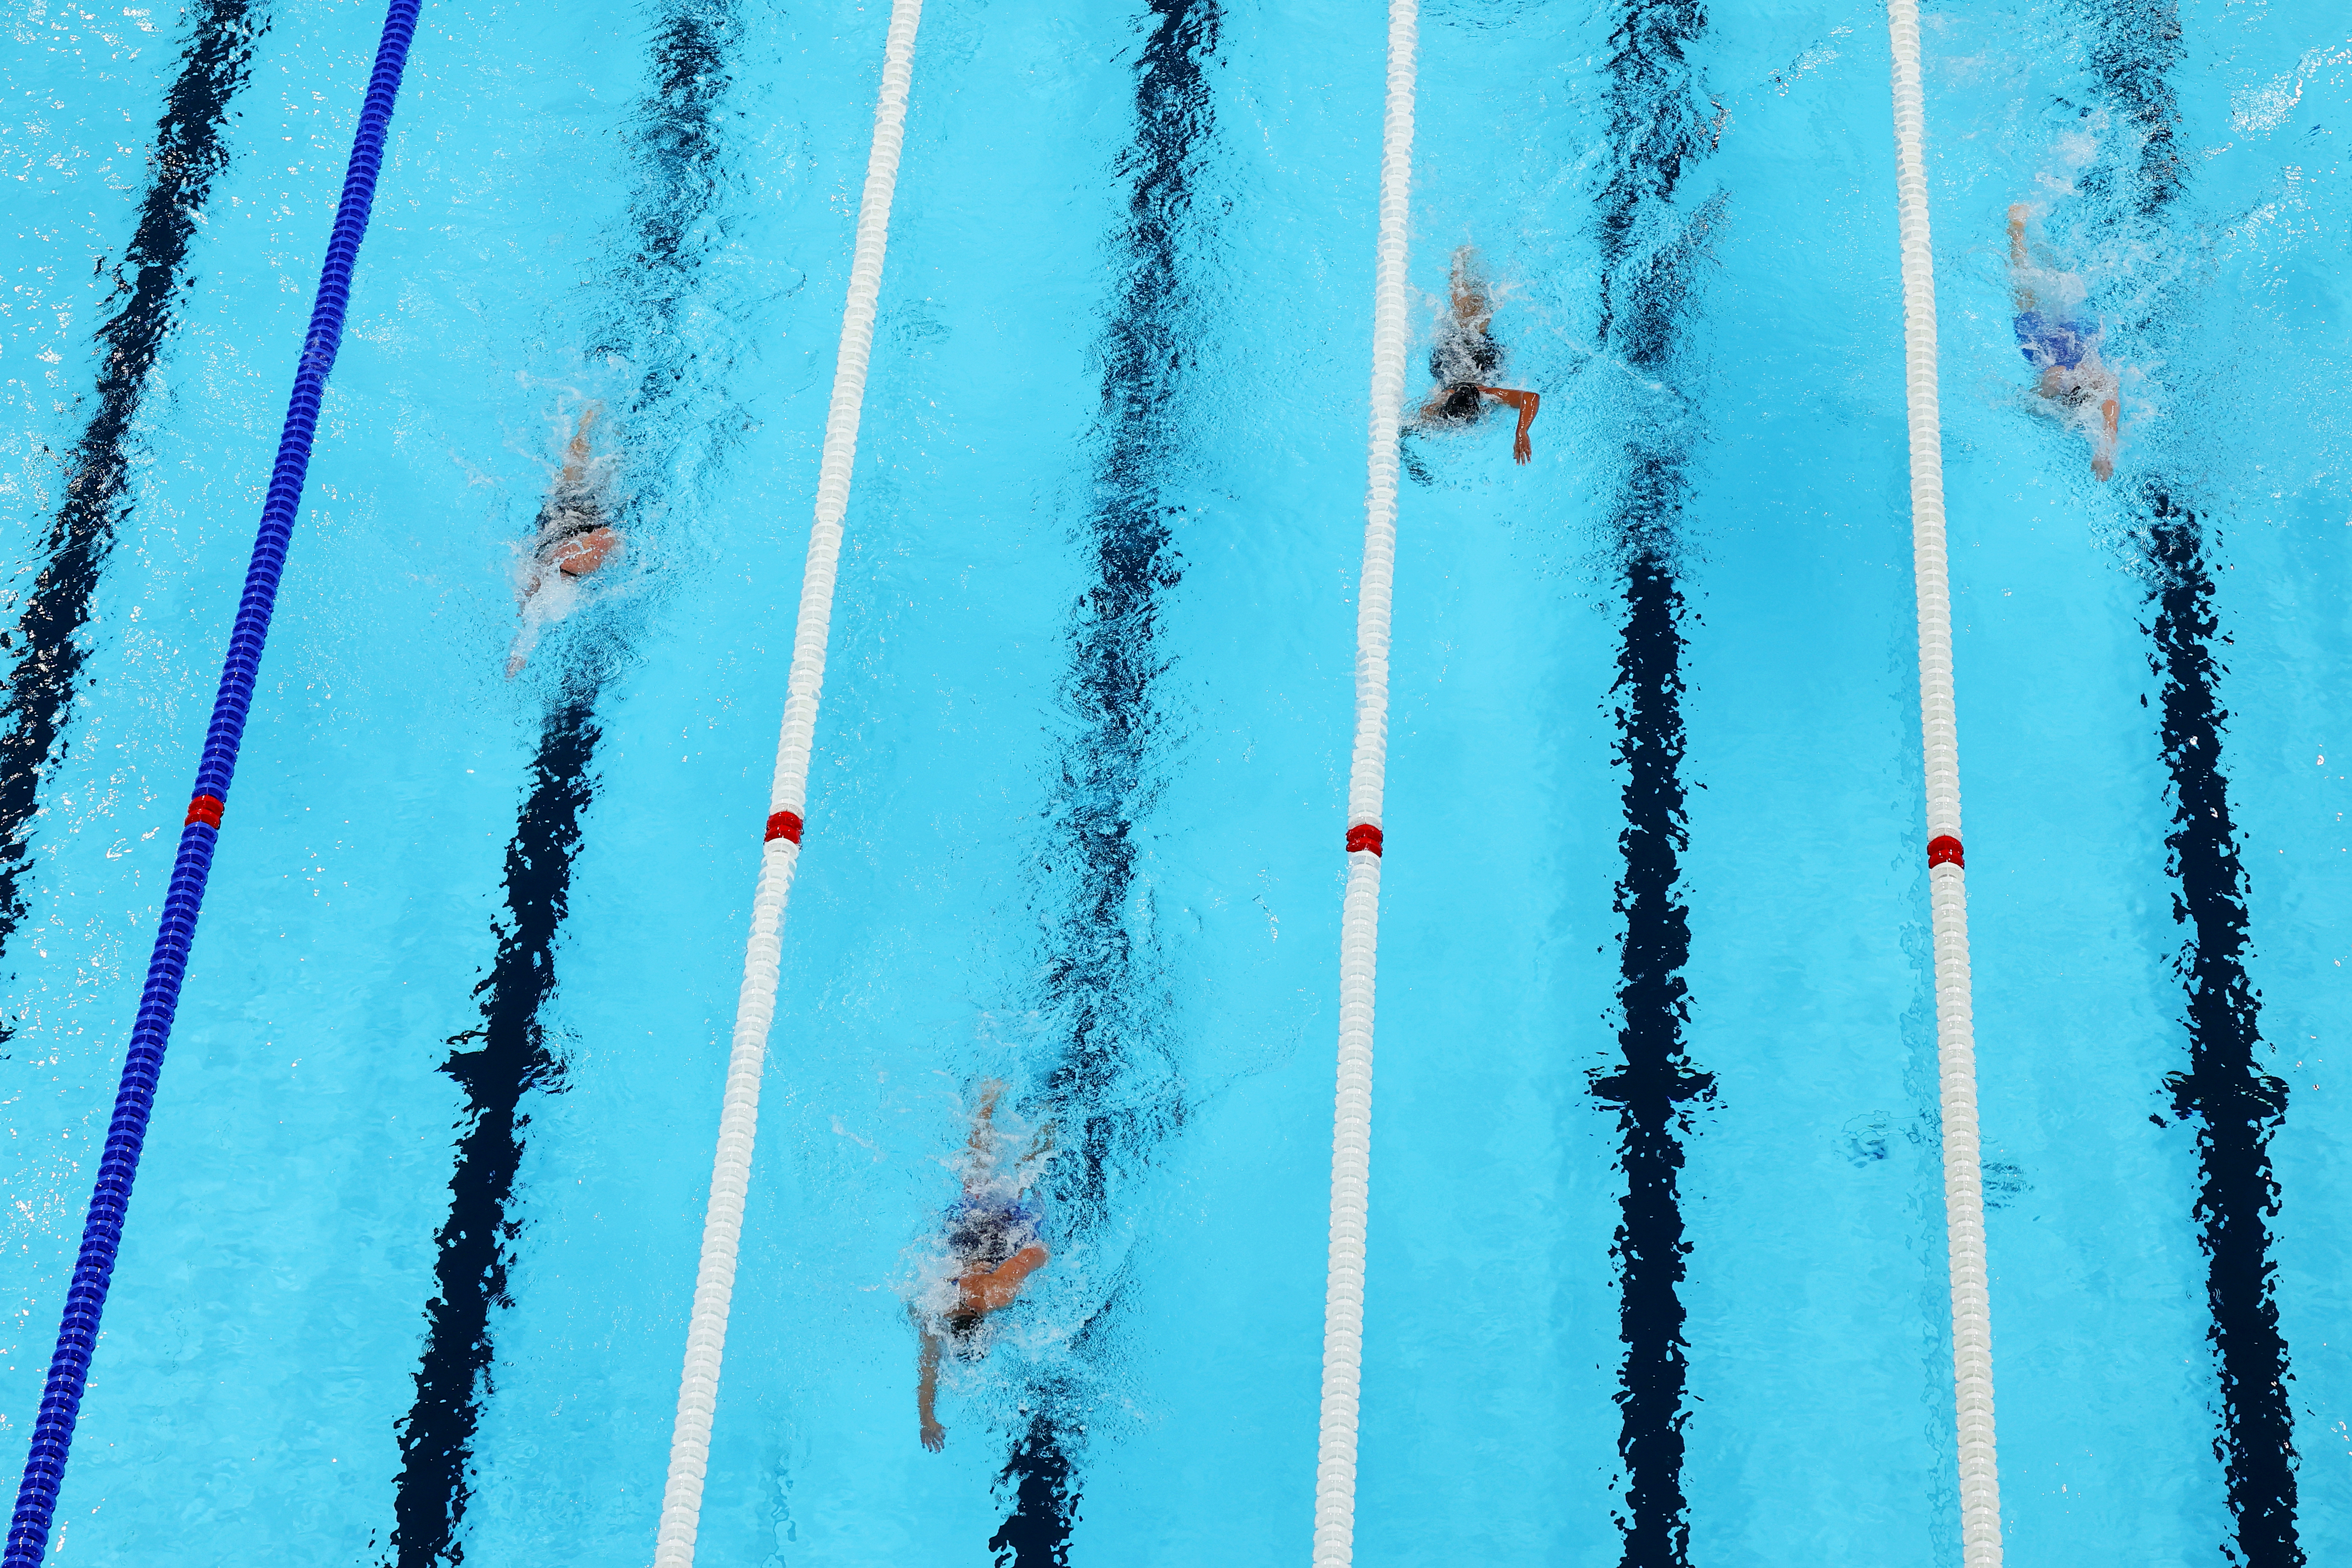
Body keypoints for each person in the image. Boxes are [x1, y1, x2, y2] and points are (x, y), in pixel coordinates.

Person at [915, 1079, 1052, 1453]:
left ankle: (1046, 1128)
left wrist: (1044, 1254)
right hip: (969, 1237)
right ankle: (990, 1104)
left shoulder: (996, 1294)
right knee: (975, 1181)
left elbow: (1035, 1255)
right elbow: (928, 1370)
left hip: (1002, 1236)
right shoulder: (933, 1309)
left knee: (1024, 1183)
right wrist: (925, 1420)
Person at [505, 405, 623, 677]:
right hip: (563, 539)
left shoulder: (572, 563)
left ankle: (590, 418)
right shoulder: (553, 577)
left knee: (582, 474)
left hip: (565, 538)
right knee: (583, 473)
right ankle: (591, 418)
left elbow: (602, 542)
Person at [2008, 204, 2119, 481]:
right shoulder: (2100, 383)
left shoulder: (2063, 379)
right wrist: (2103, 456)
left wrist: (2104, 455)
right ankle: (2019, 233)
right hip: (2068, 337)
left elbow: (2032, 404)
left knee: (2030, 287)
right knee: (2036, 286)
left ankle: (2018, 234)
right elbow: (2110, 424)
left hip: (2047, 342)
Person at [1412, 247, 1539, 464]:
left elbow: (1531, 398)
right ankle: (1461, 264)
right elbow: (1530, 397)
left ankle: (1460, 263)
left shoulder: (1484, 393)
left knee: (1467, 314)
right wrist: (1521, 431)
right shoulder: (1482, 393)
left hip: (1458, 353)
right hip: (1460, 352)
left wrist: (1522, 432)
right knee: (1469, 314)